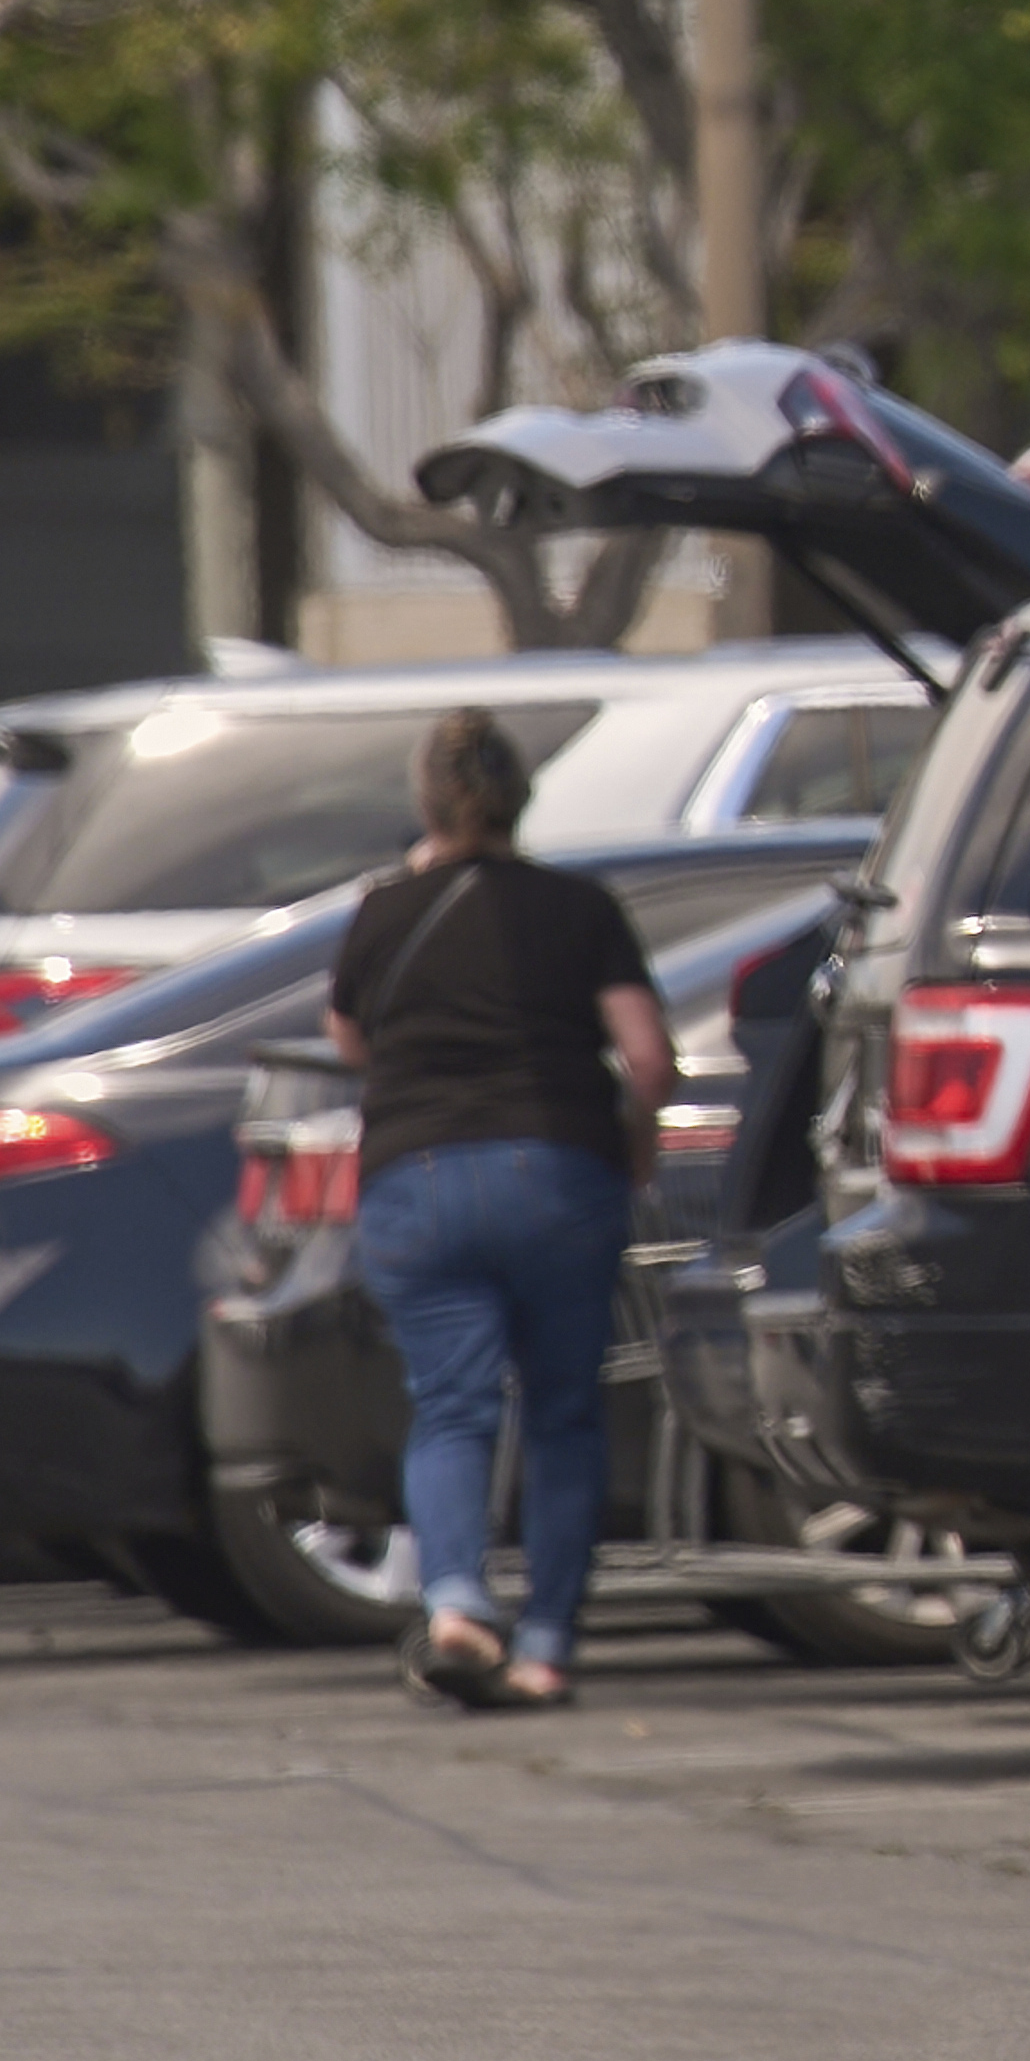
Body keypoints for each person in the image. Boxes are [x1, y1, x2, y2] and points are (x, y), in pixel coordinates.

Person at [330, 709, 667, 1714]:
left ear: (425, 800)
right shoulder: (580, 908)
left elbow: (350, 1039)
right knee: (564, 1413)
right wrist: (635, 1140)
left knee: (451, 1407)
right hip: (557, 1170)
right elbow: (646, 1056)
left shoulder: (381, 912)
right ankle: (549, 1646)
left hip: (415, 1178)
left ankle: (458, 1603)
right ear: (522, 796)